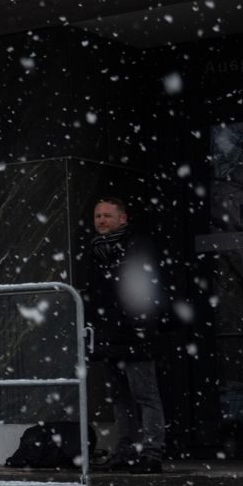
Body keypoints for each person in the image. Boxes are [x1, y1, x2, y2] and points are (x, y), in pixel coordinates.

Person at [83, 197, 166, 472]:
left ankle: (152, 453)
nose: (101, 221)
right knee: (120, 397)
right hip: (109, 335)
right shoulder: (94, 251)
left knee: (145, 395)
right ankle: (127, 450)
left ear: (123, 218)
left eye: (107, 215)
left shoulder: (137, 246)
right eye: (98, 216)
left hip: (135, 333)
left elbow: (147, 289)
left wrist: (142, 323)